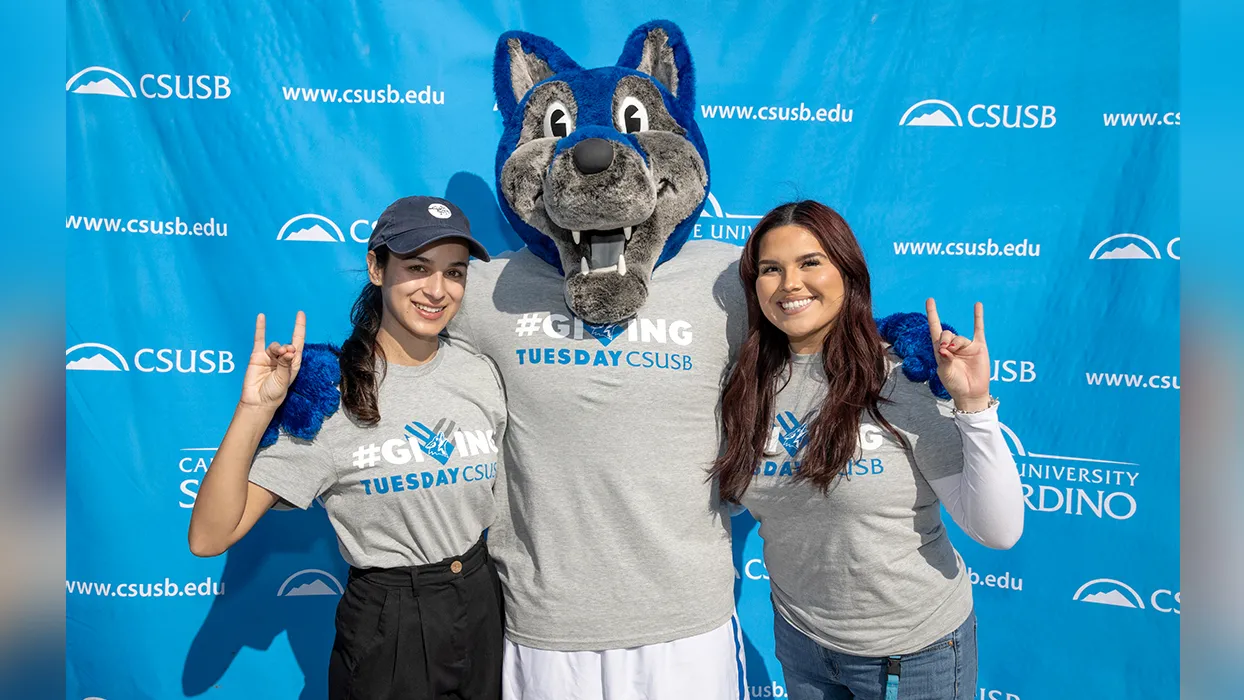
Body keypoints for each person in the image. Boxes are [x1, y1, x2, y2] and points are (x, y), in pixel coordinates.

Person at [187, 196, 508, 700]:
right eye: (418, 268)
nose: (437, 290)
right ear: (376, 267)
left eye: (455, 273)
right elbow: (209, 536)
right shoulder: (327, 393)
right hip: (391, 624)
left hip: (481, 600)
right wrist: (254, 410)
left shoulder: (481, 372)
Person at [711, 200, 1026, 700]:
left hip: (911, 655)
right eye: (771, 269)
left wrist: (974, 405)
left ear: (848, 271)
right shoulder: (745, 384)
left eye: (810, 262)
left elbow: (998, 530)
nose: (790, 283)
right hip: (802, 644)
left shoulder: (903, 374)